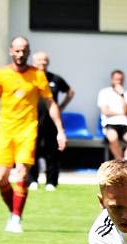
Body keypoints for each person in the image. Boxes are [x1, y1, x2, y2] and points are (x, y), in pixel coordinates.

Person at [0, 36, 67, 234]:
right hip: (5, 131)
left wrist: (60, 130)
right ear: (11, 51)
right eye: (16, 50)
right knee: (1, 177)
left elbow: (51, 103)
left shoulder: (37, 75)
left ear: (28, 51)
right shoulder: (1, 74)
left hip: (28, 130)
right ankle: (14, 211)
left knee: (23, 174)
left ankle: (16, 218)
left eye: (24, 50)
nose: (20, 54)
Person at [27, 51, 73, 192]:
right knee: (31, 151)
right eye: (40, 60)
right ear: (34, 62)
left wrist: (62, 106)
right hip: (32, 121)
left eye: (45, 60)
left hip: (51, 122)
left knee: (52, 153)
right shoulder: (29, 78)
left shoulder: (55, 78)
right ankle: (32, 180)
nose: (43, 62)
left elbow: (70, 92)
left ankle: (51, 182)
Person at [97, 69, 127, 162]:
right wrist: (123, 113)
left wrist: (121, 95)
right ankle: (119, 161)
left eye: (121, 80)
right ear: (112, 79)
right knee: (113, 137)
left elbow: (126, 110)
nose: (118, 82)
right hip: (110, 123)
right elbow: (105, 111)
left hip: (125, 124)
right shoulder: (104, 92)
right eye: (116, 79)